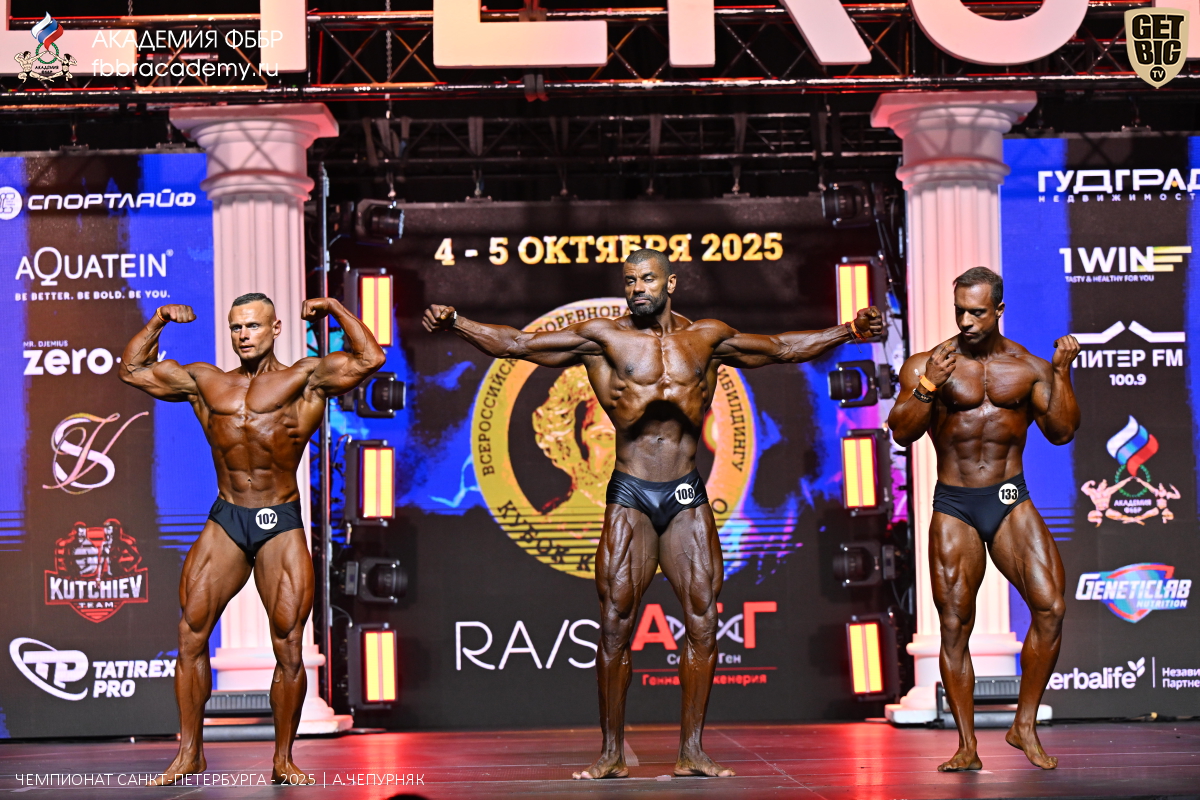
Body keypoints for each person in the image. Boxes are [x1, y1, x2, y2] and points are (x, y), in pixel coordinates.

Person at [423, 248, 883, 779]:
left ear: (671, 282)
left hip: (686, 493)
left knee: (704, 619)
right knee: (615, 624)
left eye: (646, 278)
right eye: (629, 280)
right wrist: (458, 323)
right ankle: (611, 753)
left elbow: (781, 348)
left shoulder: (706, 338)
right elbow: (518, 344)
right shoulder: (604, 339)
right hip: (631, 493)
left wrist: (849, 330)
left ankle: (693, 751)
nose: (637, 288)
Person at [118, 293, 385, 785]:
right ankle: (190, 753)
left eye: (254, 326)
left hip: (279, 520)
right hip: (228, 517)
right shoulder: (206, 381)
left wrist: (333, 308)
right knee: (190, 633)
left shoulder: (305, 378)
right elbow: (132, 369)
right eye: (236, 327)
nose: (244, 335)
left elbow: (370, 358)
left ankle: (283, 759)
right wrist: (157, 320)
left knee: (288, 643)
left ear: (275, 328)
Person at [887, 267, 1080, 772]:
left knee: (1051, 607)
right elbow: (901, 432)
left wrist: (1061, 374)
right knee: (955, 624)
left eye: (977, 312)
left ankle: (1024, 725)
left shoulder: (1029, 367)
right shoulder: (928, 364)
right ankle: (966, 745)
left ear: (998, 310)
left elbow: (1062, 432)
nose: (967, 321)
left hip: (1010, 496)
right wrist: (928, 385)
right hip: (956, 504)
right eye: (960, 312)